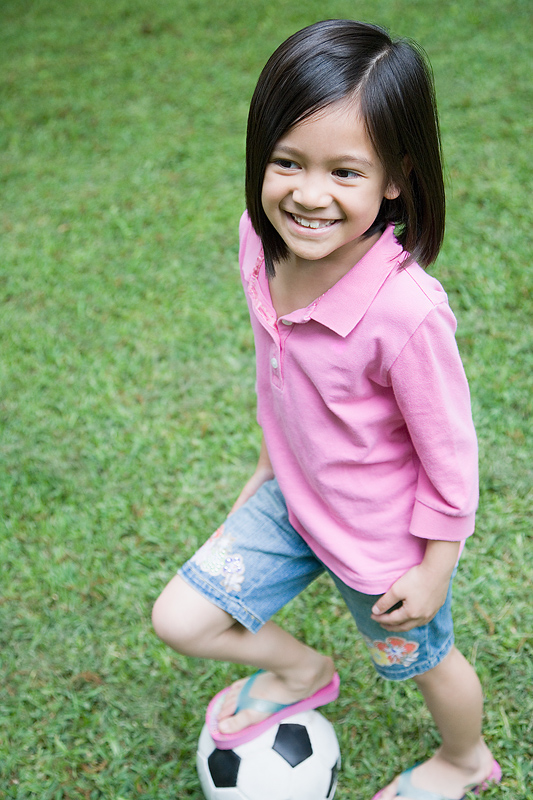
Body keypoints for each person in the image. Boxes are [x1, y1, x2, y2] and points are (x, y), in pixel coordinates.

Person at [152, 20, 501, 800]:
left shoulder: (404, 312)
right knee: (180, 618)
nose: (308, 195)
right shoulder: (258, 242)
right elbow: (279, 374)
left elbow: (450, 450)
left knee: (425, 662)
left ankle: (464, 759)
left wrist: (434, 566)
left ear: (394, 179)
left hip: (382, 548)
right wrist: (267, 465)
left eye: (344, 171)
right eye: (286, 163)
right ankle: (302, 668)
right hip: (292, 501)